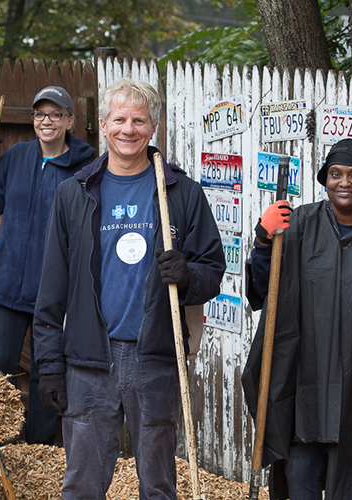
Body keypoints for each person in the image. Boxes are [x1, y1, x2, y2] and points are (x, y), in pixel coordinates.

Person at [32, 78, 225, 499]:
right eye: (119, 119)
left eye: (139, 120)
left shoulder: (181, 193)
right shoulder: (74, 194)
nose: (128, 129)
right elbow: (51, 290)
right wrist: (49, 364)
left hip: (154, 357)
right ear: (103, 125)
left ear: (153, 127)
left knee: (157, 485)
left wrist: (188, 275)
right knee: (82, 484)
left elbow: (213, 269)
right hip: (89, 361)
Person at [242, 139, 352, 500]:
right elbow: (266, 290)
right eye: (336, 174)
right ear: (325, 178)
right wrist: (264, 241)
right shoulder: (299, 224)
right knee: (300, 475)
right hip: (305, 380)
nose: (345, 183)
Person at [0, 85, 96, 445]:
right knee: (1, 372)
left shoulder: (84, 168)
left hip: (53, 291)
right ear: (32, 120)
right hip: (9, 285)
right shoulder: (17, 157)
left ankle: (41, 450)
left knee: (47, 373)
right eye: (40, 114)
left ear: (70, 120)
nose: (47, 121)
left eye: (56, 114)